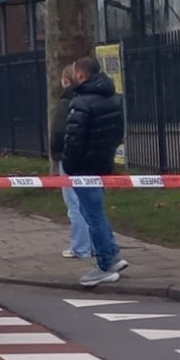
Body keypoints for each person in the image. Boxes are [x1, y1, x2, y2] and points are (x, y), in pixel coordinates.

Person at [52, 55, 129, 288]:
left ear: (81, 75)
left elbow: (73, 139)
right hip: (102, 163)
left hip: (83, 167)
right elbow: (117, 133)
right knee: (97, 212)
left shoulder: (81, 102)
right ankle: (112, 253)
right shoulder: (114, 99)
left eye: (75, 73)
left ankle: (105, 264)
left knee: (91, 215)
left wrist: (70, 164)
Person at [51, 78, 93, 261]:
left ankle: (80, 247)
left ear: (65, 80)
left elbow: (59, 132)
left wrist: (56, 152)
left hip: (70, 158)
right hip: (91, 158)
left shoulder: (66, 102)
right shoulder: (92, 98)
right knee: (90, 204)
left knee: (74, 203)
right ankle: (94, 245)